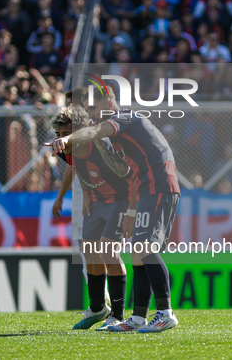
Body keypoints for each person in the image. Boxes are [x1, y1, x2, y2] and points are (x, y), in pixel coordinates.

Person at [48, 86, 181, 333]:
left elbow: (97, 131)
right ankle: (138, 318)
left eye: (94, 108)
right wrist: (87, 191)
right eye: (88, 110)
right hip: (146, 187)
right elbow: (81, 165)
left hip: (157, 183)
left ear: (109, 102)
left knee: (143, 248)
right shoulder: (114, 137)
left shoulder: (124, 119)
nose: (91, 114)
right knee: (138, 253)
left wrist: (129, 212)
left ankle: (165, 312)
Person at [50, 98, 132, 331]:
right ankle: (98, 308)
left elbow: (128, 174)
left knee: (108, 250)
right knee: (90, 251)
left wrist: (133, 208)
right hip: (97, 200)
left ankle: (117, 315)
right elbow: (76, 167)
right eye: (57, 132)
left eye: (65, 132)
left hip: (120, 199)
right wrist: (82, 192)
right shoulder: (65, 149)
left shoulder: (100, 142)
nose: (60, 137)